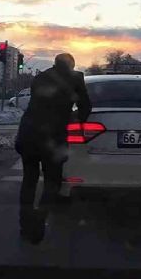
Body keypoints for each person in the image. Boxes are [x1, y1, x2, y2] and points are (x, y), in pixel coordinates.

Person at [14, 53, 91, 244]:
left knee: (29, 179)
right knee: (52, 181)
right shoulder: (76, 78)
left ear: (55, 64)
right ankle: (41, 216)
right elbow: (85, 106)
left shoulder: (40, 77)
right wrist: (76, 119)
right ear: (72, 65)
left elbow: (39, 102)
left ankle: (25, 223)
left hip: (29, 133)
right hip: (53, 137)